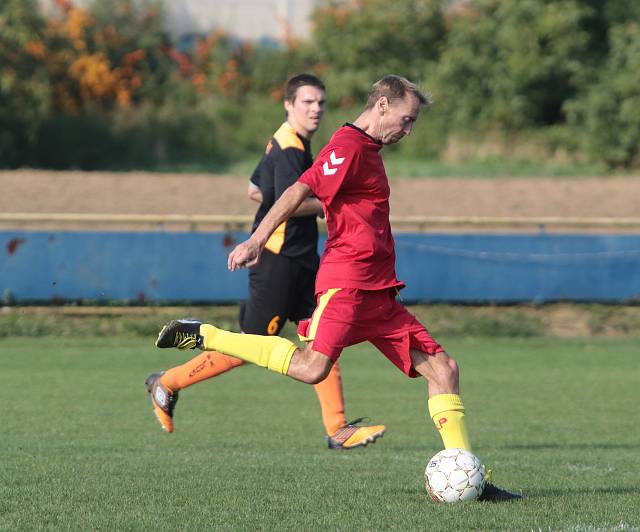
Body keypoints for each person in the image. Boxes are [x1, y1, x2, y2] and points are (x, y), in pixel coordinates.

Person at [155, 75, 521, 500]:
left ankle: (469, 476)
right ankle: (205, 334)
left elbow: (282, 191)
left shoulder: (369, 149)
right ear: (382, 106)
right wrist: (256, 240)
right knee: (313, 367)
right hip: (346, 285)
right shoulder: (347, 145)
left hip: (380, 293)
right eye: (405, 120)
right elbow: (297, 190)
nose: (408, 130)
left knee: (444, 370)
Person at [145, 73, 386, 451]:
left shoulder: (285, 141)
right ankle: (168, 382)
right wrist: (337, 203)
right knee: (252, 345)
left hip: (303, 261)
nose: (316, 109)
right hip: (278, 260)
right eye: (307, 102)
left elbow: (255, 188)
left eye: (321, 102)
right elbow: (288, 197)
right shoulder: (290, 148)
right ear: (289, 104)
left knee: (322, 340)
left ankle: (338, 429)